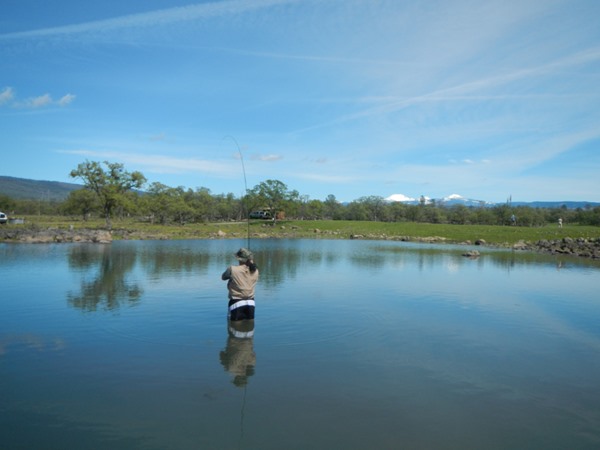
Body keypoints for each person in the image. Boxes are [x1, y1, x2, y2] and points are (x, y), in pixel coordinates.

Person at [221, 248, 259, 321]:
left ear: (239, 259)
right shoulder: (255, 270)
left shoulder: (232, 269)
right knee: (249, 329)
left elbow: (223, 277)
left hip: (236, 302)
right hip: (251, 303)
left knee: (235, 329)